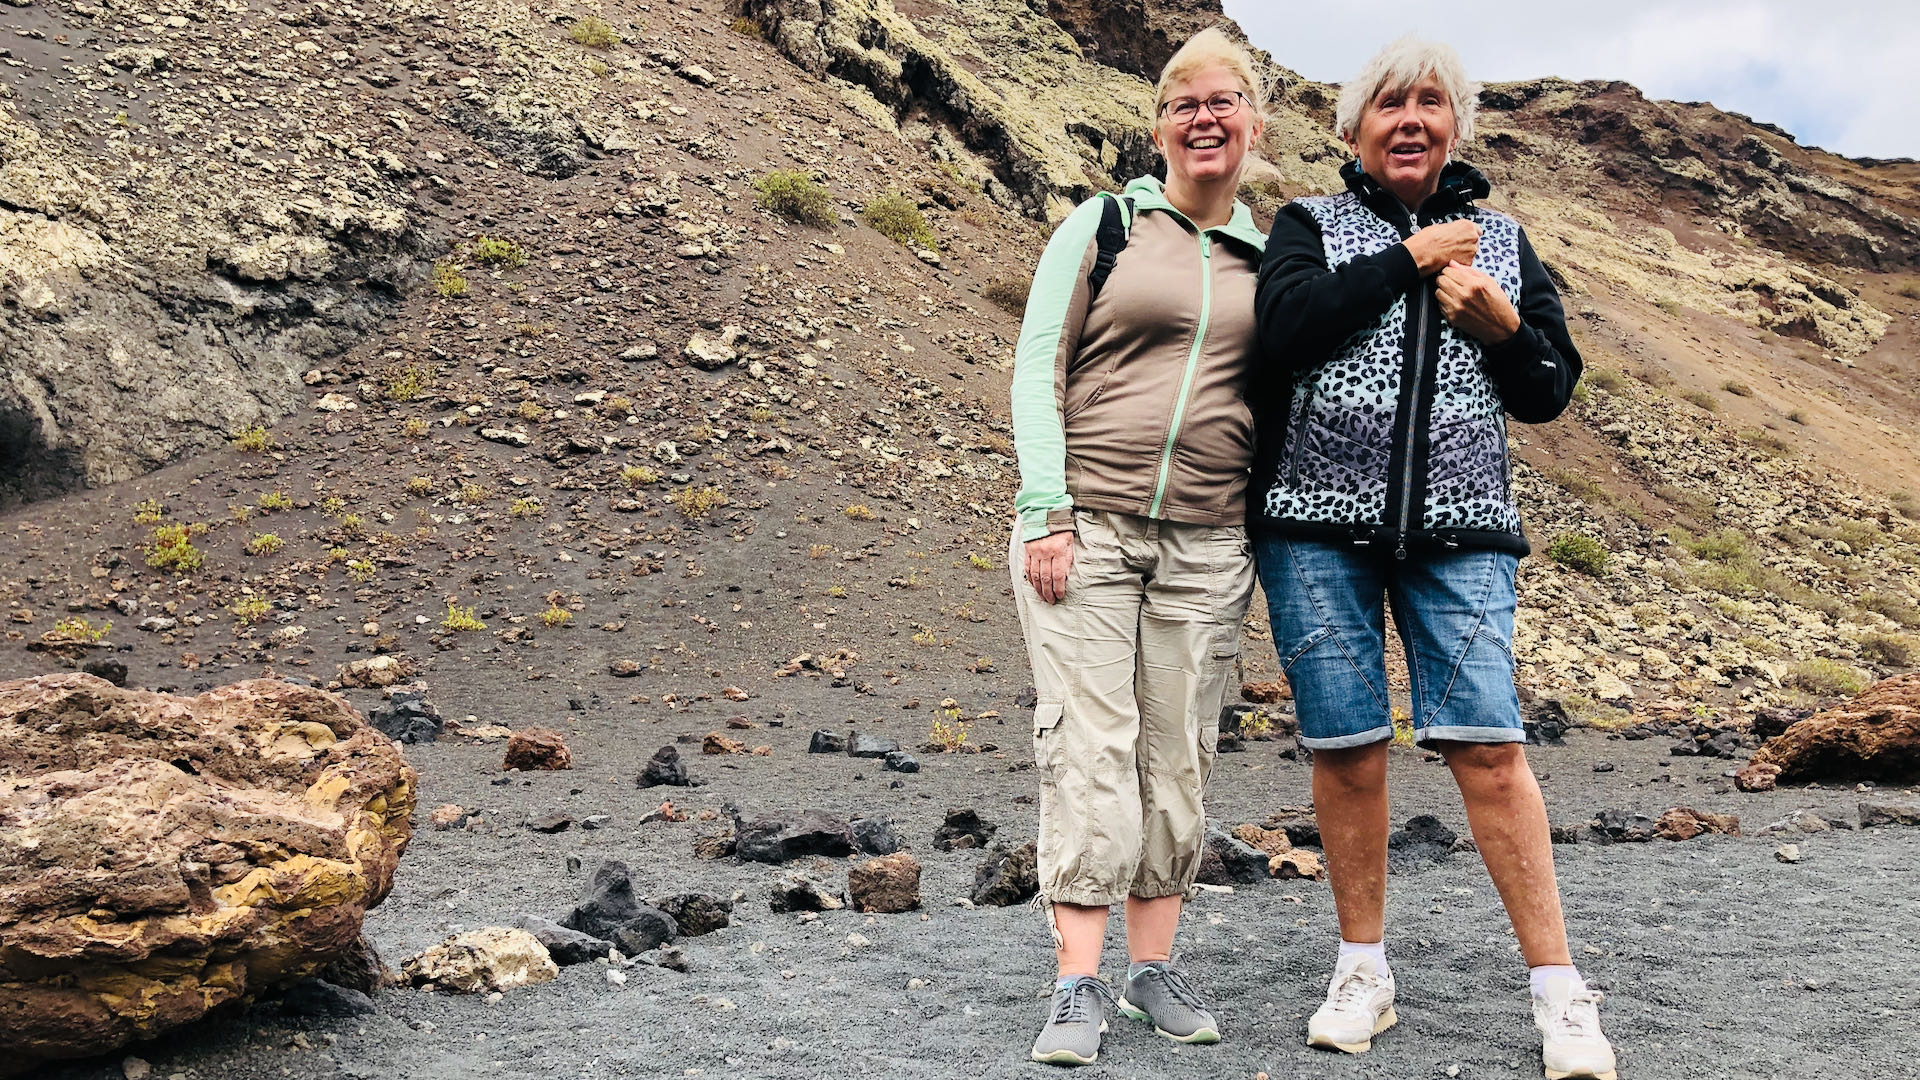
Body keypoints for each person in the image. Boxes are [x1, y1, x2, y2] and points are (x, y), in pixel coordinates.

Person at [1250, 35, 1616, 1080]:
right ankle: (1362, 970)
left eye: (1430, 104)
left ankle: (1560, 992)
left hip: (1462, 535)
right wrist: (1406, 262)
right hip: (1315, 530)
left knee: (1490, 750)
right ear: (1353, 128)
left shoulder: (1503, 242)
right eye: (1388, 105)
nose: (1410, 120)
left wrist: (1503, 329)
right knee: (1347, 750)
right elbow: (1283, 329)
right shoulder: (1308, 225)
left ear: (1454, 125)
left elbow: (1548, 390)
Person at [1007, 25, 1268, 1068]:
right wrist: (1046, 507)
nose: (1205, 118)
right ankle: (1076, 984)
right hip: (1091, 528)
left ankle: (1151, 973)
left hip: (1211, 541)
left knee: (1180, 756)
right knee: (1089, 745)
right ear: (1158, 123)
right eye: (1183, 103)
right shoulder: (1103, 225)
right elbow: (1038, 365)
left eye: (1224, 101)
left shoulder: (1269, 252)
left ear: (1255, 122)